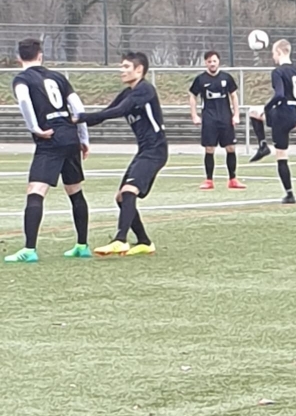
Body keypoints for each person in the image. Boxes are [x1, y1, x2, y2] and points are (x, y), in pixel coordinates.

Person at [5, 38, 91, 263]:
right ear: (40, 56)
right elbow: (78, 107)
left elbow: (24, 101)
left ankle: (29, 250)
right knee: (75, 190)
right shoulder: (58, 77)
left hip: (50, 138)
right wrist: (83, 138)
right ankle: (82, 245)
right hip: (70, 136)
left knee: (36, 190)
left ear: (19, 58)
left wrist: (34, 128)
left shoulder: (22, 79)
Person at [74, 51, 168, 256]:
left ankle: (120, 240)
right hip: (144, 150)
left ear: (139, 70)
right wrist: (71, 121)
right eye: (121, 67)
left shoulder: (144, 90)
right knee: (121, 198)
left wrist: (81, 117)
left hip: (155, 150)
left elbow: (118, 111)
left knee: (129, 191)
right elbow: (105, 113)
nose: (122, 71)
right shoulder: (128, 93)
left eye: (126, 67)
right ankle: (144, 242)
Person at [248, 39, 296, 204]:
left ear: (279, 52)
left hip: (281, 113)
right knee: (282, 154)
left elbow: (279, 95)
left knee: (253, 111)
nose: (273, 57)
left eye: (273, 54)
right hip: (294, 114)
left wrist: (267, 108)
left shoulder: (278, 72)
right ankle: (289, 195)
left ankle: (263, 145)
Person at [188, 50, 246, 190]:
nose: (212, 64)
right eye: (209, 61)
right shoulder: (201, 79)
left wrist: (236, 114)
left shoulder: (226, 78)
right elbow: (192, 96)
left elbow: (234, 96)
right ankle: (209, 180)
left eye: (214, 61)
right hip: (209, 118)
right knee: (209, 148)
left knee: (230, 147)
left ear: (218, 61)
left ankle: (233, 179)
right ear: (205, 63)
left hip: (225, 117)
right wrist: (194, 115)